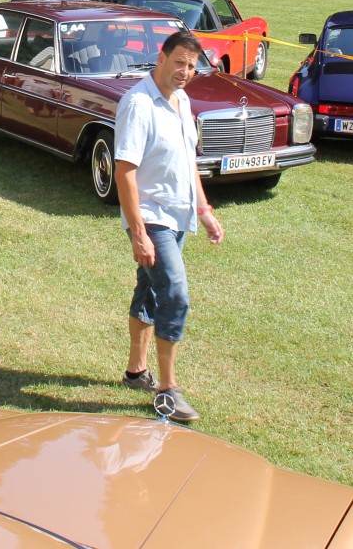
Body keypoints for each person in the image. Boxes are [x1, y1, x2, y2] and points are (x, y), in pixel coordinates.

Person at [114, 29, 222, 425]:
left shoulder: (182, 101)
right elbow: (124, 170)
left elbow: (186, 161)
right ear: (161, 57)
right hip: (151, 216)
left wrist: (204, 208)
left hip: (178, 215)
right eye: (179, 61)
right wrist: (139, 232)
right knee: (174, 292)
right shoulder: (138, 103)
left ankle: (135, 372)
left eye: (192, 65)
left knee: (150, 292)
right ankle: (167, 390)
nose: (185, 71)